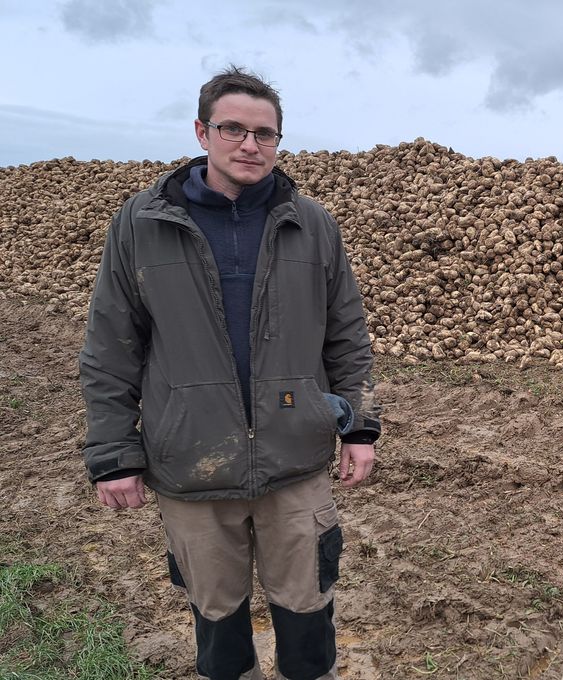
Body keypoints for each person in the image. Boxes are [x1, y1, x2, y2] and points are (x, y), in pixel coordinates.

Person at [79, 65, 381, 680]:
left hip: (294, 460)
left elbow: (346, 334)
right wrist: (114, 451)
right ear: (201, 131)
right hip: (192, 463)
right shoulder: (141, 224)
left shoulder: (312, 223)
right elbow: (112, 344)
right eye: (234, 129)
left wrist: (359, 426)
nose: (251, 145)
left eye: (265, 134)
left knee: (308, 611)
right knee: (216, 618)